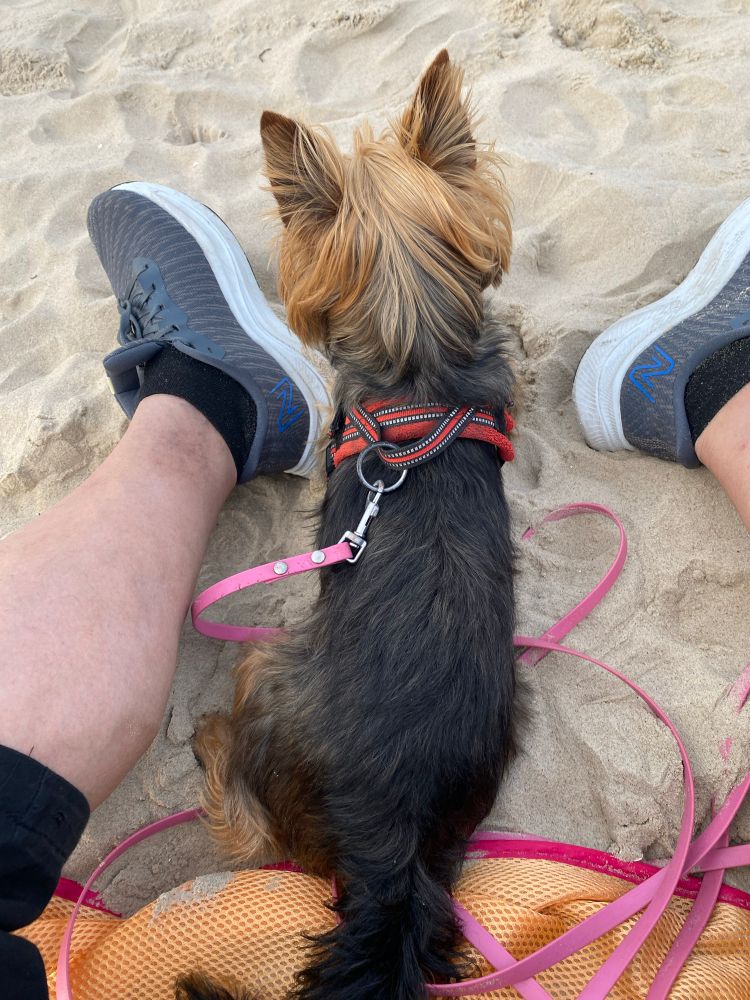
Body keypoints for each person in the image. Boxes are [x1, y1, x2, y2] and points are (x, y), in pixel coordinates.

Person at [0, 184, 748, 999]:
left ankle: (206, 400)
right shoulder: (488, 392)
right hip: (462, 772)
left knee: (279, 689)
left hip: (372, 771)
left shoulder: (362, 400)